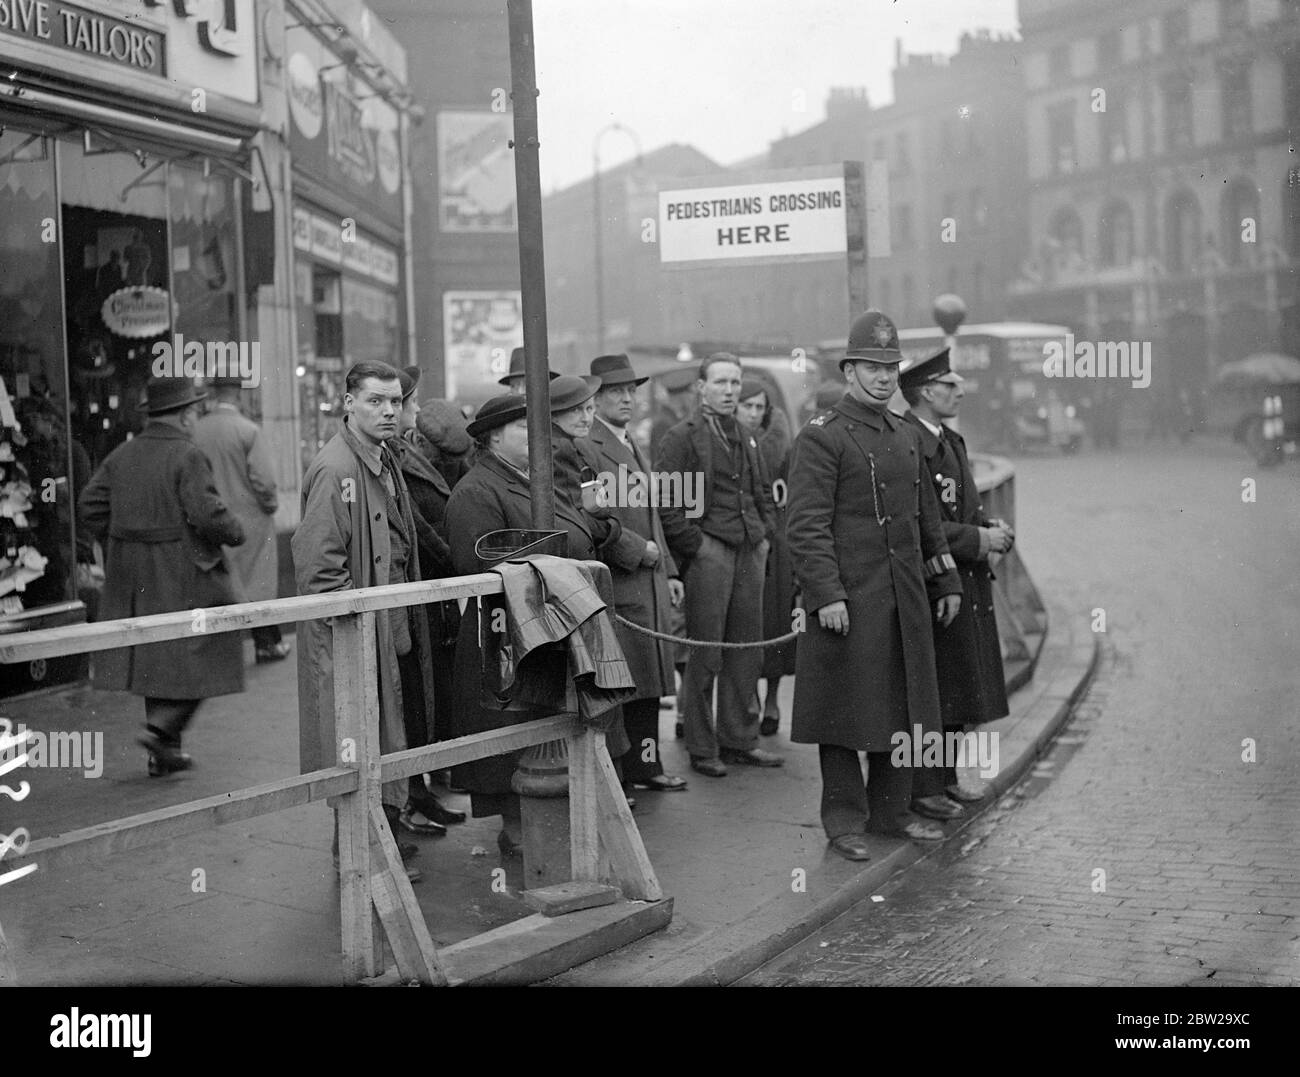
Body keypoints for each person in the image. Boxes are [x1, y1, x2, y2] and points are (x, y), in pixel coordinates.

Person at [786, 311, 964, 861]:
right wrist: (827, 595)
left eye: (891, 367)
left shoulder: (903, 434)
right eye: (872, 367)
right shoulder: (822, 437)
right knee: (843, 714)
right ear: (849, 369)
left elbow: (926, 517)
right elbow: (806, 525)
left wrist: (946, 579)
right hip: (850, 599)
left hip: (903, 597)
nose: (885, 378)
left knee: (901, 705)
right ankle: (844, 824)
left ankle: (891, 813)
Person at [444, 394, 620, 856]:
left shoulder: (535, 481)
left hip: (552, 629)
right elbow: (480, 566)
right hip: (510, 637)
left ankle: (545, 820)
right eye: (525, 428)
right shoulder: (478, 491)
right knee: (514, 734)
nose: (537, 438)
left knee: (546, 727)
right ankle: (519, 829)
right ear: (493, 437)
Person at [293, 360, 437, 878]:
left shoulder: (381, 457)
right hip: (356, 632)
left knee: (384, 734)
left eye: (395, 401)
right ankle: (361, 859)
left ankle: (380, 848)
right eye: (375, 401)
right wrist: (359, 622)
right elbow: (317, 569)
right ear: (348, 402)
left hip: (387, 624)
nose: (388, 411)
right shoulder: (337, 468)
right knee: (359, 740)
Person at [78, 377, 245, 776]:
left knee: (156, 655)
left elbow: (90, 506)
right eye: (195, 410)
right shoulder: (187, 455)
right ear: (186, 414)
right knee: (218, 635)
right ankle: (162, 729)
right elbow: (207, 513)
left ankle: (164, 751)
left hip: (130, 573)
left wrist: (122, 539)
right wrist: (235, 531)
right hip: (182, 568)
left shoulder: (122, 454)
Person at [656, 353, 782, 777]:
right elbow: (669, 504)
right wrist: (698, 546)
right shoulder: (681, 437)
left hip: (750, 548)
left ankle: (739, 740)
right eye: (721, 382)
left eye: (735, 382)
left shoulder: (746, 434)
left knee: (746, 651)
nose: (730, 390)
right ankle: (701, 746)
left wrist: (764, 533)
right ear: (701, 387)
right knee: (706, 653)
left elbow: (761, 490)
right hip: (711, 551)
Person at [899, 349, 1012, 803]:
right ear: (926, 391)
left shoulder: (950, 440)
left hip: (966, 581)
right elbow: (921, 523)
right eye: (950, 384)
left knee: (963, 685)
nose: (960, 390)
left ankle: (946, 780)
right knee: (942, 687)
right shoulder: (910, 442)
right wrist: (978, 541)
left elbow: (960, 510)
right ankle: (933, 785)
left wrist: (988, 529)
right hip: (938, 581)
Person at [577, 354, 688, 794]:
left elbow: (652, 516)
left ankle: (645, 766)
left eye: (630, 390)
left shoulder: (627, 441)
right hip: (623, 579)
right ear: (595, 398)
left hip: (649, 579)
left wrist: (671, 570)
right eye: (613, 391)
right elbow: (595, 519)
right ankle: (622, 777)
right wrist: (636, 552)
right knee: (627, 682)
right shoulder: (589, 445)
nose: (626, 398)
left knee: (649, 680)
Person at [388, 365, 465, 833]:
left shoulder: (402, 452)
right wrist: (455, 564)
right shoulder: (392, 457)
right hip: (417, 593)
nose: (414, 411)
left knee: (427, 697)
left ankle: (420, 791)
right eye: (410, 403)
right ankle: (411, 796)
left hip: (429, 596)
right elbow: (419, 529)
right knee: (412, 699)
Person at [191, 376, 287, 663]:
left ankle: (220, 655)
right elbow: (265, 482)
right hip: (250, 520)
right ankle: (267, 643)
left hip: (211, 519)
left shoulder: (196, 431)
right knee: (258, 585)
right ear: (238, 395)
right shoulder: (248, 431)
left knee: (221, 584)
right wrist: (270, 506)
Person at [734, 378, 795, 736]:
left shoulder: (782, 448)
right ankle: (748, 702)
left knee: (775, 622)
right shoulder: (730, 443)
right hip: (744, 546)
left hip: (778, 547)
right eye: (748, 406)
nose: (754, 414)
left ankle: (770, 700)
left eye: (760, 407)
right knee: (746, 625)